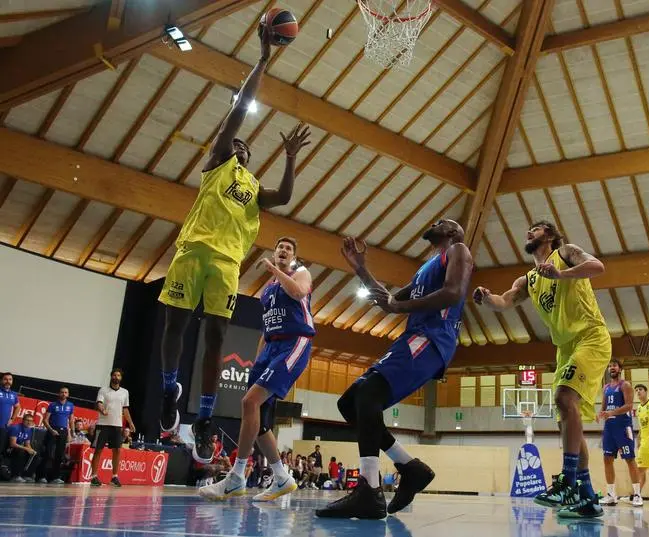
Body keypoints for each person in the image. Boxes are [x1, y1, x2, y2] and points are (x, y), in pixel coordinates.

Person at [156, 25, 312, 464]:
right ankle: (170, 389)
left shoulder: (254, 186)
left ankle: (204, 418)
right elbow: (240, 112)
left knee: (216, 335)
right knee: (175, 327)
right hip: (192, 249)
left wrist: (290, 158)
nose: (241, 145)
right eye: (236, 142)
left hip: (226, 261)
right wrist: (263, 59)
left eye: (245, 147)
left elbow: (283, 198)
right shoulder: (218, 161)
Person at [316, 219, 473, 519]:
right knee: (350, 403)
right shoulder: (426, 270)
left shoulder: (458, 250)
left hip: (432, 338)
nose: (435, 222)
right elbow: (388, 302)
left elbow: (454, 292)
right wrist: (361, 268)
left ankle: (369, 490)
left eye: (443, 222)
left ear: (452, 232)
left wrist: (402, 308)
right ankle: (409, 468)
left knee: (368, 394)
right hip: (415, 338)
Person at [473, 220, 610, 519]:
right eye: (528, 229)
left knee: (564, 399)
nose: (528, 232)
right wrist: (486, 298)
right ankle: (587, 497)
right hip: (565, 349)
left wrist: (562, 274)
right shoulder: (528, 280)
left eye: (535, 228)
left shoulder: (567, 253)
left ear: (549, 235)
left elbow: (597, 267)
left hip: (591, 336)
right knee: (566, 421)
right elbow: (505, 301)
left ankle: (567, 480)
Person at [200, 237, 314, 502]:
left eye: (288, 248)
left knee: (249, 402)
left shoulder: (300, 273)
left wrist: (276, 271)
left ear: (293, 256)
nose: (283, 250)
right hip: (271, 348)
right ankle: (282, 478)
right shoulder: (268, 290)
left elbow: (299, 292)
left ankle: (236, 477)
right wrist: (258, 358)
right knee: (259, 422)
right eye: (280, 248)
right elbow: (267, 327)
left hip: (295, 342)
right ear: (274, 253)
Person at [596, 359, 642, 507]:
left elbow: (629, 406)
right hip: (609, 427)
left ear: (620, 369)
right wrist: (600, 414)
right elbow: (604, 407)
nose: (611, 368)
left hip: (623, 427)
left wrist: (612, 412)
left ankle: (637, 494)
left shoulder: (625, 385)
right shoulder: (606, 387)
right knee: (607, 459)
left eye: (614, 365)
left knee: (630, 459)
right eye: (610, 366)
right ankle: (611, 495)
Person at [90, 369, 135, 487]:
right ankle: (94, 476)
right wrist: (102, 409)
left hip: (117, 426)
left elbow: (125, 409)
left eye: (118, 375)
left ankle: (114, 476)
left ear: (121, 378)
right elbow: (99, 403)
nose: (116, 377)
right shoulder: (103, 390)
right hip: (103, 425)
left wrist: (130, 423)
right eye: (114, 375)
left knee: (117, 451)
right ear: (111, 377)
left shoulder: (125, 392)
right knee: (98, 450)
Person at [41, 386, 75, 484]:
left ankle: (55, 477)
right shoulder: (52, 405)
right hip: (52, 430)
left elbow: (71, 420)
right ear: (58, 393)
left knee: (59, 455)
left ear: (68, 394)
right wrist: (51, 430)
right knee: (47, 453)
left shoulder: (71, 405)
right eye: (62, 392)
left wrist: (72, 432)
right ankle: (41, 476)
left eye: (65, 392)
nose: (63, 394)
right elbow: (45, 420)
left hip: (63, 431)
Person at [6, 413, 38, 482]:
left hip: (19, 447)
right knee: (20, 451)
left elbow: (27, 444)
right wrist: (26, 449)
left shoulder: (29, 430)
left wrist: (31, 450)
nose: (29, 422)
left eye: (31, 421)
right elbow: (12, 444)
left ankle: (27, 475)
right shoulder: (16, 428)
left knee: (34, 454)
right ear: (23, 420)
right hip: (9, 449)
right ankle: (15, 476)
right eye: (27, 420)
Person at [0, 372, 20, 437]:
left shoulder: (14, 394)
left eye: (10, 379)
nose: (8, 381)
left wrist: (12, 419)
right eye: (5, 379)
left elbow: (18, 407)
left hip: (4, 427)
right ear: (1, 380)